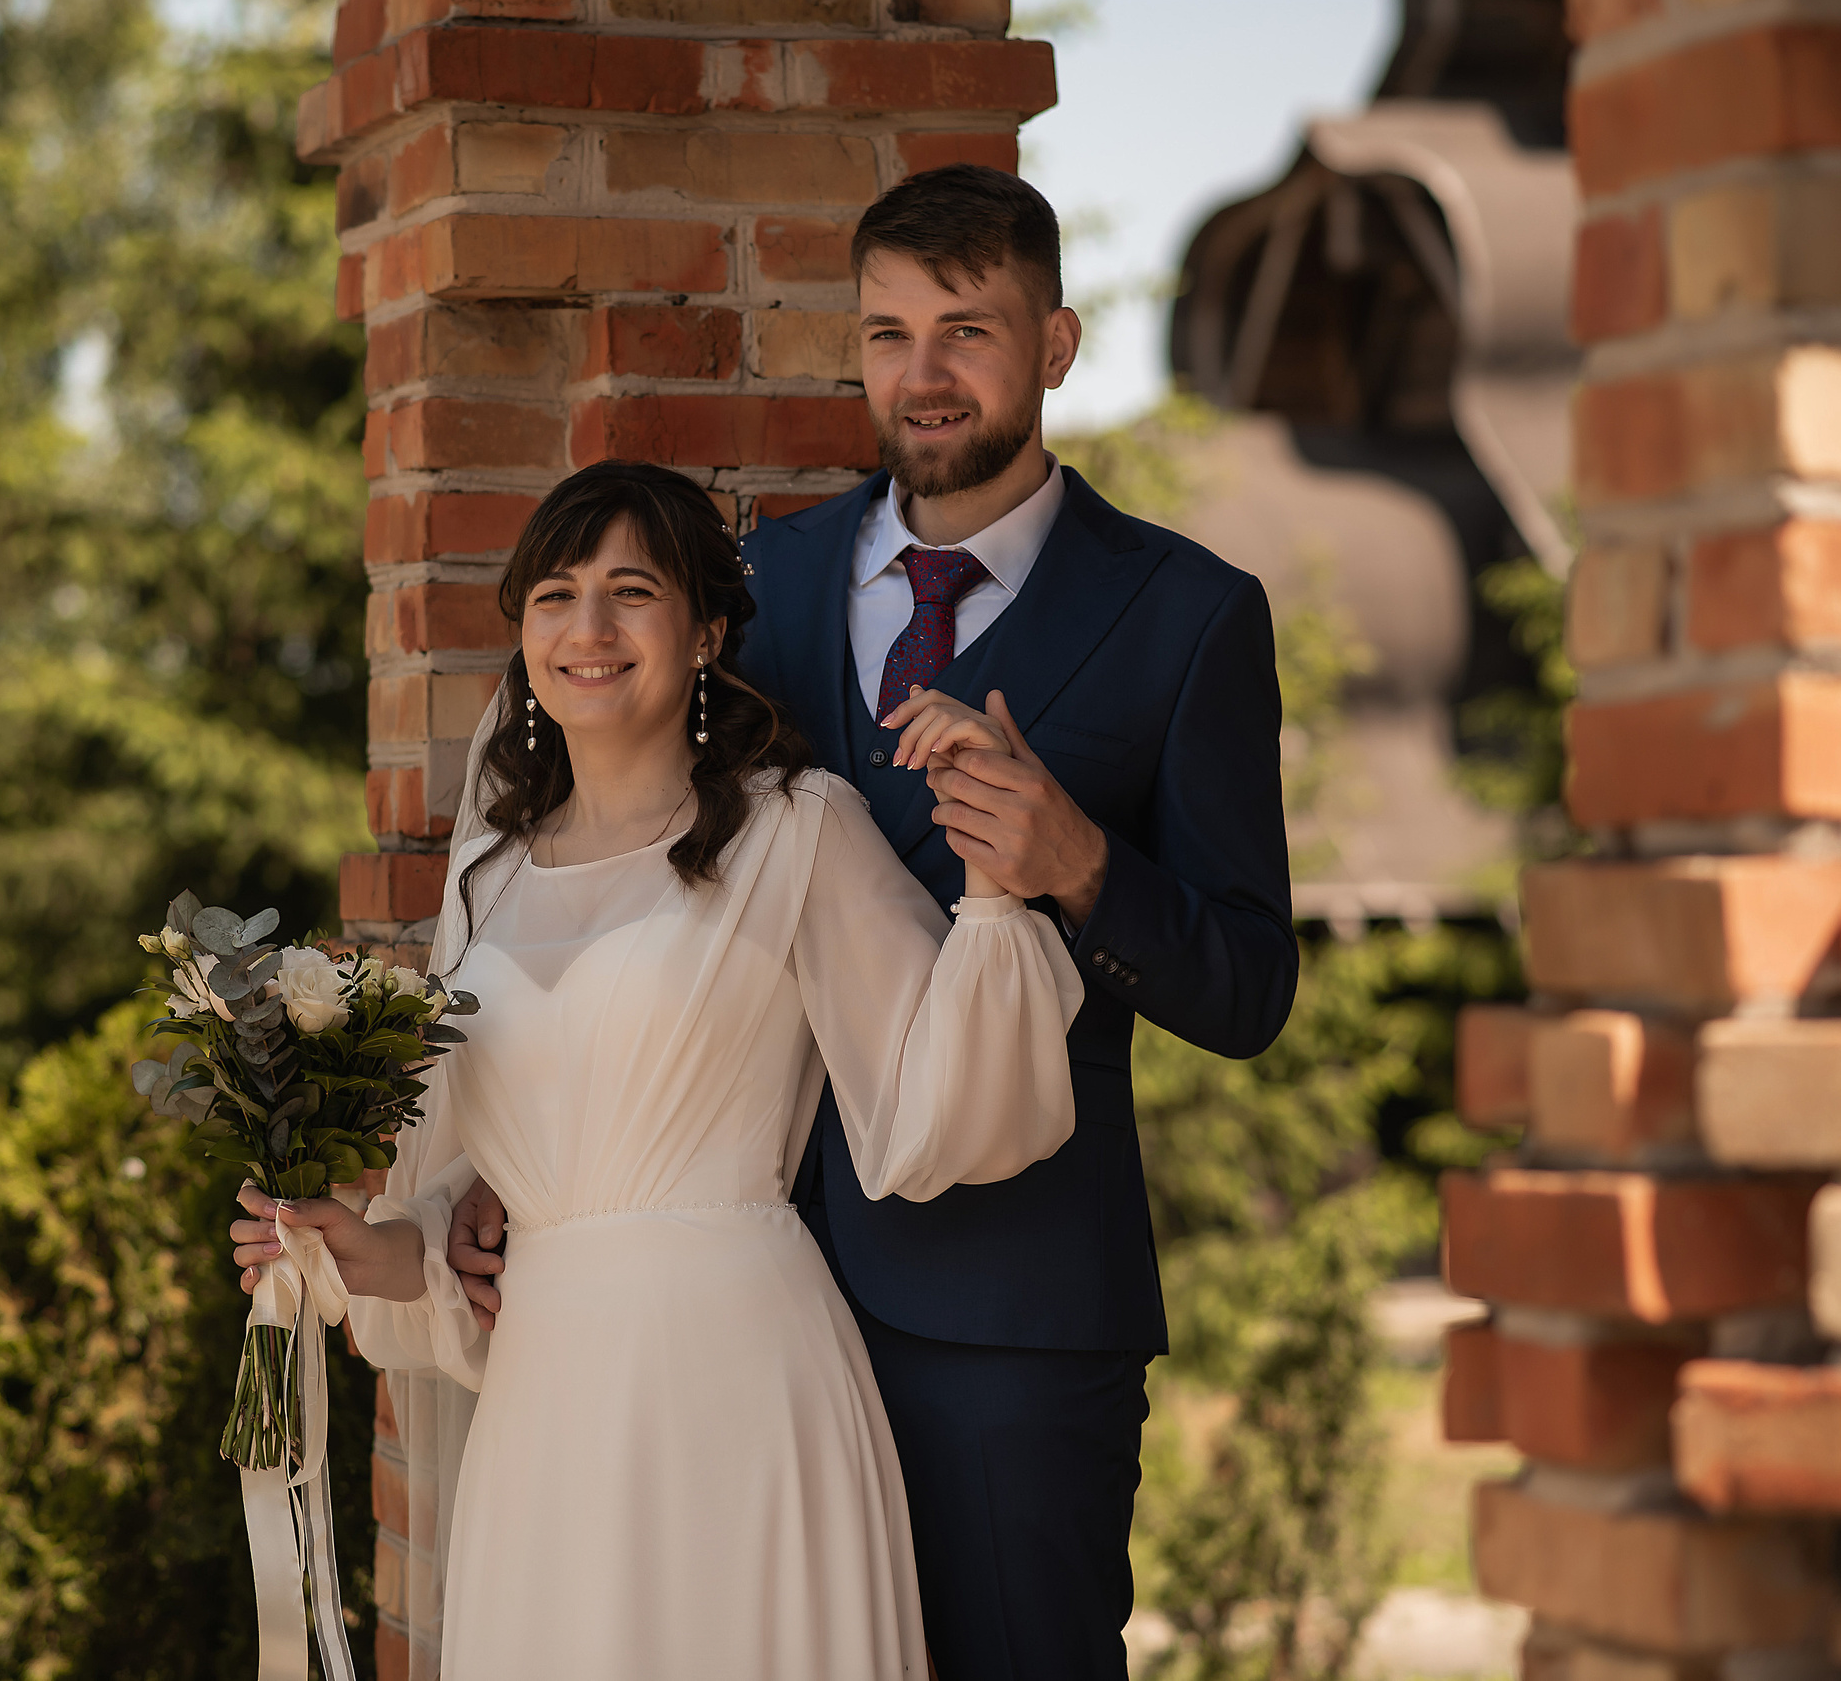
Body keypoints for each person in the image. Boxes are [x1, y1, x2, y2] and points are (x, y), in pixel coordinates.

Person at [445, 164, 1301, 1677]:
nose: (924, 374)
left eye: (968, 331)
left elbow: (1247, 986)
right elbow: (640, 870)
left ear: (1056, 345)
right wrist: (536, 1161)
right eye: (888, 333)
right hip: (729, 1325)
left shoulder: (1185, 616)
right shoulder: (752, 581)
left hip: (1008, 1322)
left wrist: (1079, 862)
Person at [230, 458, 1088, 1680]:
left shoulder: (795, 827)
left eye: (631, 592)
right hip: (546, 1406)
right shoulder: (488, 884)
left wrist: (993, 889)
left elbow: (938, 1108)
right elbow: (471, 1203)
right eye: (555, 596)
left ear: (705, 635)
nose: (587, 628)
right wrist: (358, 1249)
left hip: (741, 1376)